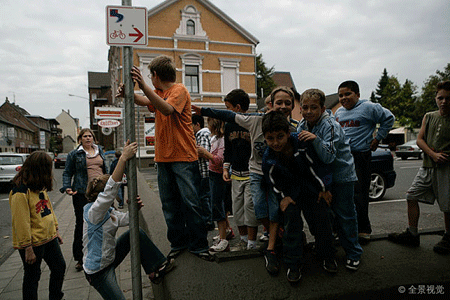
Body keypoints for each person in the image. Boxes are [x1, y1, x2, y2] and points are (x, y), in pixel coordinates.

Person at [192, 86, 299, 275]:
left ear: (292, 106)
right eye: (278, 103)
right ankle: (275, 233)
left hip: (280, 173)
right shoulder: (255, 120)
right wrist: (202, 111)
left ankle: (272, 246)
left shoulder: (294, 129)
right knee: (258, 209)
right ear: (270, 105)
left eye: (287, 103)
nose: (282, 106)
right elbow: (228, 115)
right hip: (257, 171)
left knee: (278, 209)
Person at [116, 55, 212, 261]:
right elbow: (146, 100)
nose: (150, 80)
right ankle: (178, 243)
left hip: (183, 157)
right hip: (163, 158)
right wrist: (127, 94)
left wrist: (141, 84)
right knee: (169, 204)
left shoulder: (179, 90)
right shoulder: (159, 93)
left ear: (155, 75)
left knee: (191, 203)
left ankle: (199, 245)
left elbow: (167, 109)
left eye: (150, 76)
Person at [83, 141, 175, 299]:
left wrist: (134, 208)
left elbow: (127, 220)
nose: (115, 196)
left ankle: (155, 269)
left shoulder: (109, 212)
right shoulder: (94, 212)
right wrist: (123, 158)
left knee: (137, 233)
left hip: (110, 258)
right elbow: (110, 191)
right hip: (98, 272)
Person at [262, 111, 336, 283]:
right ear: (265, 138)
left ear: (288, 133)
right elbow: (271, 181)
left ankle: (327, 256)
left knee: (322, 222)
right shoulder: (268, 157)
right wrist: (283, 197)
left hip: (311, 189)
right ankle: (293, 264)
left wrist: (323, 188)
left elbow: (316, 167)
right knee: (291, 228)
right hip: (290, 195)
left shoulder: (301, 144)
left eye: (280, 137)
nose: (275, 142)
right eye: (270, 138)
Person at [298, 88, 363, 270]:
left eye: (314, 107)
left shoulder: (330, 125)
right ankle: (329, 249)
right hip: (322, 178)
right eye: (305, 107)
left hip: (342, 176)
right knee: (325, 216)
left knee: (345, 215)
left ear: (323, 108)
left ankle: (354, 252)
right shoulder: (302, 124)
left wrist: (315, 139)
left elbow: (328, 157)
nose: (309, 111)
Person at [388, 80, 450, 254]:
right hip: (428, 165)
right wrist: (433, 154)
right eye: (441, 98)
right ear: (436, 98)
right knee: (411, 195)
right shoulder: (429, 116)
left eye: (448, 98)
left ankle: (448, 237)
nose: (444, 101)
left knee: (447, 205)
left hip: (446, 168)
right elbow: (420, 140)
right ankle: (412, 234)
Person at [335, 80, 394, 243]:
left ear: (358, 94)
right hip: (342, 157)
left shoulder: (369, 107)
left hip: (360, 156)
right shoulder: (338, 112)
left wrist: (378, 138)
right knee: (341, 195)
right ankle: (341, 229)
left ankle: (363, 230)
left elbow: (389, 118)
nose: (343, 98)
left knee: (359, 194)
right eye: (340, 95)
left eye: (348, 94)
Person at [9, 151, 66, 300]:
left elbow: (49, 209)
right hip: (33, 243)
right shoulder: (20, 192)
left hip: (49, 237)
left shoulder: (39, 185)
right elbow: (21, 222)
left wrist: (56, 229)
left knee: (59, 267)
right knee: (33, 277)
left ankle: (56, 297)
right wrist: (27, 247)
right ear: (39, 169)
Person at [60, 128, 106, 270]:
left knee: (102, 221)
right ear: (80, 139)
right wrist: (67, 187)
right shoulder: (74, 154)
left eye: (90, 136)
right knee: (82, 223)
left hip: (100, 192)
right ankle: (80, 258)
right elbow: (67, 172)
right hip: (82, 193)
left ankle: (100, 253)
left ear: (93, 138)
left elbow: (105, 169)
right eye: (85, 136)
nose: (88, 138)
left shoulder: (100, 151)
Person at [222, 89, 258, 250]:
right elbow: (227, 149)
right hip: (236, 174)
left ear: (237, 107)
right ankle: (243, 239)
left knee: (250, 208)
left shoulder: (252, 123)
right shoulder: (229, 125)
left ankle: (252, 241)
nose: (227, 111)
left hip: (251, 174)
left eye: (229, 108)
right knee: (237, 209)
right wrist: (225, 168)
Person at [197, 118, 232, 252]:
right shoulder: (214, 139)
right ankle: (226, 231)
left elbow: (220, 160)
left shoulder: (222, 140)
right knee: (220, 205)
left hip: (218, 176)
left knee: (217, 206)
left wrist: (206, 154)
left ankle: (223, 240)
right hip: (213, 175)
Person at [192, 114, 214, 231]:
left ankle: (208, 221)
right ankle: (208, 219)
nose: (190, 128)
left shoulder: (201, 133)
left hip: (205, 171)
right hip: (206, 171)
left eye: (191, 125)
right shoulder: (204, 133)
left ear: (197, 124)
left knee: (205, 197)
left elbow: (202, 152)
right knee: (206, 197)